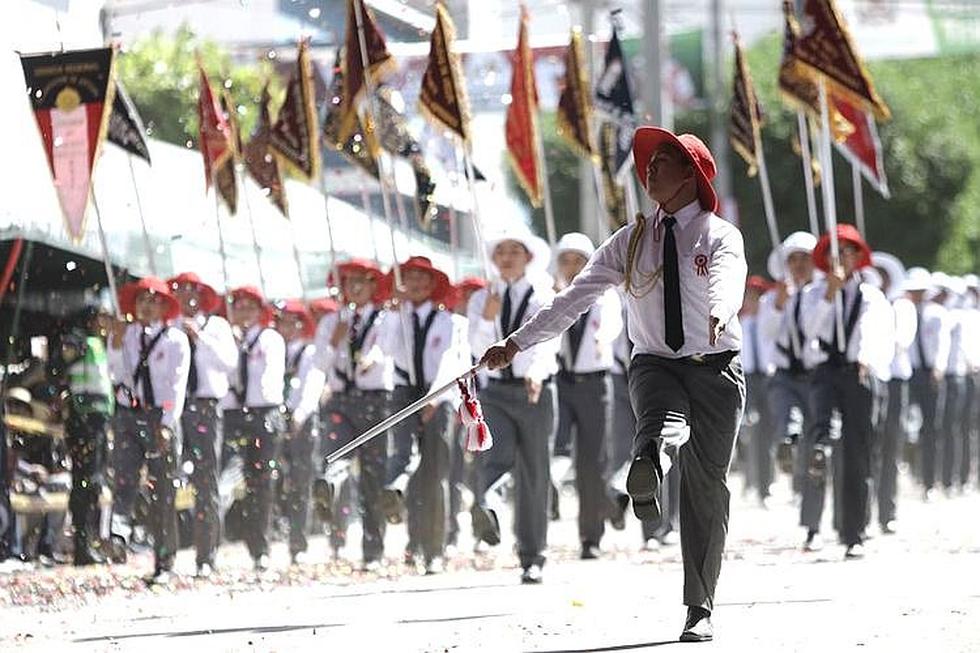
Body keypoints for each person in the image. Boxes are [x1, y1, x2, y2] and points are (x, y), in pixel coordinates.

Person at [481, 127, 746, 641]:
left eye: (663, 161)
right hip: (655, 364)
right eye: (647, 163)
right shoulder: (629, 241)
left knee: (706, 490)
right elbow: (572, 299)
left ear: (691, 173)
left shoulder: (718, 234)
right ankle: (650, 462)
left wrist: (720, 309)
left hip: (715, 367)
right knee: (660, 419)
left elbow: (726, 278)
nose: (649, 170)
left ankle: (700, 606)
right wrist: (516, 343)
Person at [467, 227, 560, 584]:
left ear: (527, 258)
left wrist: (536, 372)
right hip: (495, 391)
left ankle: (532, 555)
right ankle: (487, 511)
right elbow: (477, 349)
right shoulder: (482, 298)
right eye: (501, 251)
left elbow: (548, 340)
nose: (506, 257)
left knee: (535, 474)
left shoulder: (542, 294)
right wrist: (489, 316)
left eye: (514, 251)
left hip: (533, 389)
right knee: (495, 455)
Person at [799, 225, 892, 559]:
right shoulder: (813, 294)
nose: (844, 259)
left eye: (849, 253)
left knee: (858, 454)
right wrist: (829, 295)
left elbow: (875, 331)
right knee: (821, 423)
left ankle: (854, 531)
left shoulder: (871, 295)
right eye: (837, 253)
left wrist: (867, 359)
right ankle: (820, 447)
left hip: (858, 372)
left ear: (857, 258)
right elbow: (808, 330)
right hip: (826, 369)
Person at [315, 259, 399, 568]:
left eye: (362, 282)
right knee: (336, 454)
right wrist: (334, 340)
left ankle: (373, 550)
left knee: (372, 477)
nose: (356, 288)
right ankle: (329, 488)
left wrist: (371, 359)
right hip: (341, 399)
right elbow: (320, 363)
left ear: (373, 286)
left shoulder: (385, 319)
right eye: (350, 282)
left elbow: (385, 348)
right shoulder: (331, 321)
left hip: (375, 399)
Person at [383, 256, 462, 573]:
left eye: (421, 279)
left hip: (436, 395)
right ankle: (413, 542)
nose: (415, 284)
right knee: (407, 464)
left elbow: (449, 361)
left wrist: (435, 396)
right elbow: (388, 350)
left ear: (432, 285)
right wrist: (392, 314)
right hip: (405, 393)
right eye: (409, 278)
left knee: (434, 474)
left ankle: (434, 548)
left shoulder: (448, 322)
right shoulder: (395, 317)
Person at [108, 277, 190, 583]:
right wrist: (115, 346)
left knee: (162, 490)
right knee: (124, 478)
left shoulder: (175, 339)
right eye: (142, 299)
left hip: (160, 417)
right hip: (130, 415)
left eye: (153, 300)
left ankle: (164, 562)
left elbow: (177, 386)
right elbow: (117, 375)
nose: (146, 305)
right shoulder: (125, 333)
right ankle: (118, 535)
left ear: (165, 306)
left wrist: (168, 424)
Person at [551, 232, 624, 559]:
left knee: (593, 462)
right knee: (560, 445)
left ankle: (591, 536)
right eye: (565, 260)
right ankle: (556, 491)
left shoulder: (603, 294)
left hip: (595, 384)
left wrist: (601, 338)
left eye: (578, 260)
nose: (571, 267)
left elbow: (611, 324)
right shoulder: (553, 294)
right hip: (563, 381)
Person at [167, 272, 236, 577]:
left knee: (206, 481)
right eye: (178, 292)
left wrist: (200, 338)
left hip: (206, 406)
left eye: (190, 292)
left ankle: (206, 555)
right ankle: (165, 556)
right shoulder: (169, 328)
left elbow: (229, 363)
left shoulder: (217, 326)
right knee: (168, 476)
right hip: (174, 405)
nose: (185, 298)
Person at [758, 232, 822, 548]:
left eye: (804, 259)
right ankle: (787, 441)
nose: (798, 265)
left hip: (814, 376)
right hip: (784, 374)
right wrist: (780, 305)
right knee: (786, 414)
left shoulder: (822, 294)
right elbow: (767, 333)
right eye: (792, 260)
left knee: (817, 452)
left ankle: (813, 523)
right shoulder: (772, 299)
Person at [223, 286, 285, 572]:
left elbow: (266, 380)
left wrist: (241, 350)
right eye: (239, 307)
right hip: (235, 413)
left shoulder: (269, 338)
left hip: (262, 414)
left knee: (260, 482)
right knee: (229, 475)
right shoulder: (228, 338)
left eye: (250, 308)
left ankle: (260, 546)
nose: (244, 313)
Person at [53, 307, 115, 566]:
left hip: (98, 422)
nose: (108, 323)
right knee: (85, 482)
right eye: (104, 317)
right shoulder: (81, 340)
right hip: (83, 421)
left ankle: (88, 542)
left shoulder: (100, 346)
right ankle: (81, 544)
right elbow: (60, 363)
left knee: (93, 483)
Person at [275, 300, 325, 565]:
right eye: (282, 321)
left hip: (301, 419)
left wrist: (301, 414)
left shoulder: (308, 352)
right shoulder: (271, 348)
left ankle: (298, 542)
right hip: (276, 417)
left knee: (300, 482)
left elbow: (312, 385)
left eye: (292, 322)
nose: (286, 328)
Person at [870, 252, 915, 534]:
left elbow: (901, 341)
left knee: (890, 448)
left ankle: (887, 511)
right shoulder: (866, 304)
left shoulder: (901, 307)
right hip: (872, 378)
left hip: (895, 380)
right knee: (868, 447)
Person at [739, 275, 774, 507]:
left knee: (766, 434)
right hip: (747, 378)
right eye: (749, 296)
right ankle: (748, 479)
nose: (753, 301)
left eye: (757, 297)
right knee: (746, 432)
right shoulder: (738, 322)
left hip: (768, 378)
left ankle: (765, 485)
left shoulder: (768, 321)